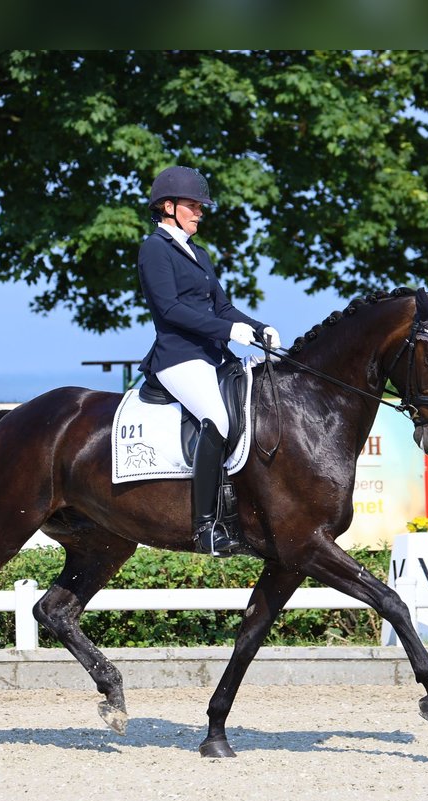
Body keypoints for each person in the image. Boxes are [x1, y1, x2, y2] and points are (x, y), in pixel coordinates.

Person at [138, 165, 281, 556]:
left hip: (212, 355)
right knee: (217, 418)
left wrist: (256, 327)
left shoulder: (198, 253)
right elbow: (168, 309)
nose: (200, 211)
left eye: (201, 206)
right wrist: (226, 331)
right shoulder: (154, 249)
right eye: (192, 205)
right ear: (168, 206)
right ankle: (205, 526)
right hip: (178, 357)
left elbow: (222, 305)